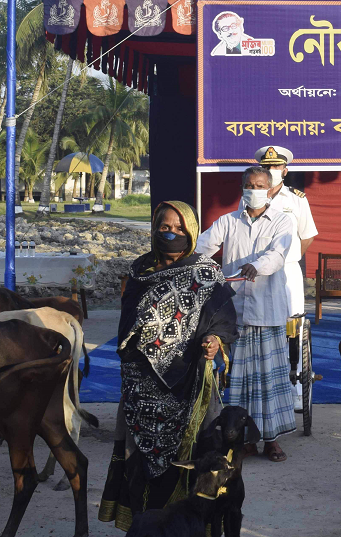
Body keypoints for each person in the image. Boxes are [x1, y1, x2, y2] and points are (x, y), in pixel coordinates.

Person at [100, 200, 237, 532]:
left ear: (190, 232)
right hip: (141, 385)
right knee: (139, 463)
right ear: (154, 229)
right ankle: (145, 527)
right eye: (164, 227)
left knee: (198, 458)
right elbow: (127, 325)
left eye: (179, 228)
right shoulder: (139, 271)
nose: (171, 234)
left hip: (189, 384)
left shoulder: (205, 272)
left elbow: (224, 320)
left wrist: (215, 342)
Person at [197, 166, 299, 462]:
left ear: (269, 190)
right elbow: (203, 247)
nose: (254, 189)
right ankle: (243, 440)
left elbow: (278, 255)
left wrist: (258, 266)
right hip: (236, 313)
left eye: (260, 185)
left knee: (269, 381)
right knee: (239, 379)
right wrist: (199, 265)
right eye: (249, 184)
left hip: (268, 312)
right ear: (242, 188)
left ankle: (272, 441)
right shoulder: (227, 222)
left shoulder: (282, 221)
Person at [255, 145, 318, 410]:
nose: (271, 171)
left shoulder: (297, 199)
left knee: (294, 330)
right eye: (267, 167)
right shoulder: (251, 197)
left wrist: (285, 259)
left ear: (285, 170)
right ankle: (264, 386)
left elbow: (307, 236)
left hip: (288, 271)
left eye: (276, 167)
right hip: (258, 272)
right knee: (263, 326)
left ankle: (295, 390)